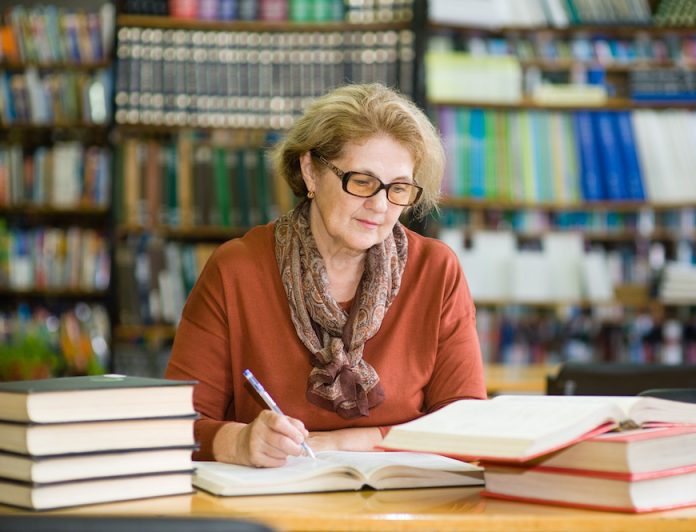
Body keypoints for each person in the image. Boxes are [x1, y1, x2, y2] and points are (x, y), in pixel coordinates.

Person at [165, 83, 486, 467]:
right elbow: (175, 427)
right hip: (274, 512)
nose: (380, 205)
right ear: (310, 171)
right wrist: (239, 442)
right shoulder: (237, 269)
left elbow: (467, 426)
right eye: (362, 182)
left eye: (398, 188)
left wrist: (352, 442)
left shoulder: (436, 271)